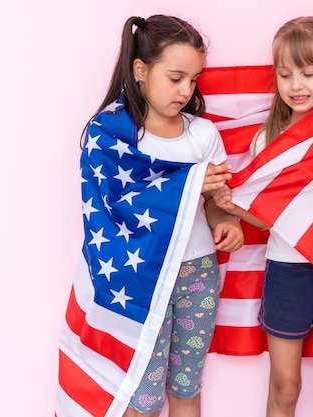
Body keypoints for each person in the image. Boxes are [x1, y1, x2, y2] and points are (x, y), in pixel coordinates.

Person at [74, 14, 243, 417]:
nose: (186, 90)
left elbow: (216, 199)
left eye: (194, 79)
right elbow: (112, 204)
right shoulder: (112, 134)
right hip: (141, 280)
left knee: (187, 385)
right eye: (175, 77)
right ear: (140, 70)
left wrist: (227, 221)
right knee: (143, 393)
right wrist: (188, 184)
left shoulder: (202, 134)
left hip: (197, 272)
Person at [213, 16, 313, 417]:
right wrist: (233, 207)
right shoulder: (270, 138)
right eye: (285, 74)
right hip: (288, 273)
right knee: (285, 387)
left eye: (308, 72)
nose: (296, 85)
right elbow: (269, 217)